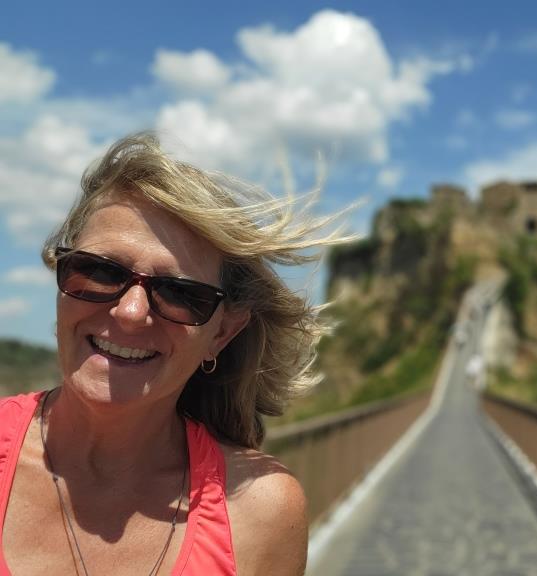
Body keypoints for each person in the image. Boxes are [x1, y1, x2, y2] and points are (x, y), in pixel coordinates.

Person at [0, 133, 351, 575]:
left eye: (180, 293)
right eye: (100, 271)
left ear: (222, 332)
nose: (130, 312)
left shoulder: (260, 512)